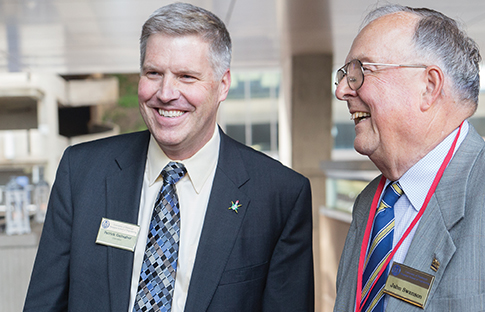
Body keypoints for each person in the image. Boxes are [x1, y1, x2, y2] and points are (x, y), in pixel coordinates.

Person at [24, 3, 313, 312]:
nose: (165, 93)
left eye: (187, 76)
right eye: (154, 73)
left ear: (223, 85)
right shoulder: (80, 174)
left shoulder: (279, 195)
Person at [333, 4, 485, 312]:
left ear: (428, 86)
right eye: (344, 75)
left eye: (360, 72)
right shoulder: (370, 203)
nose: (341, 91)